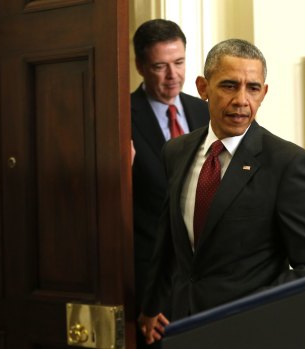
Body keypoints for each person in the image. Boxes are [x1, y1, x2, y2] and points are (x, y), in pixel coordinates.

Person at [138, 38, 305, 344]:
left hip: (253, 332)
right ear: (203, 88)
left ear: (264, 93)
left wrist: (249, 308)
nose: (242, 100)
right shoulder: (176, 151)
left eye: (253, 88)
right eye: (229, 86)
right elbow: (167, 238)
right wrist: (151, 306)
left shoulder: (288, 164)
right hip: (181, 327)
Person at [131, 19, 209, 348]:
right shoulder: (119, 115)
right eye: (160, 66)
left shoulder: (205, 111)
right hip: (150, 280)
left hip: (207, 278)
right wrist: (150, 298)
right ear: (140, 66)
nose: (172, 75)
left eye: (179, 63)